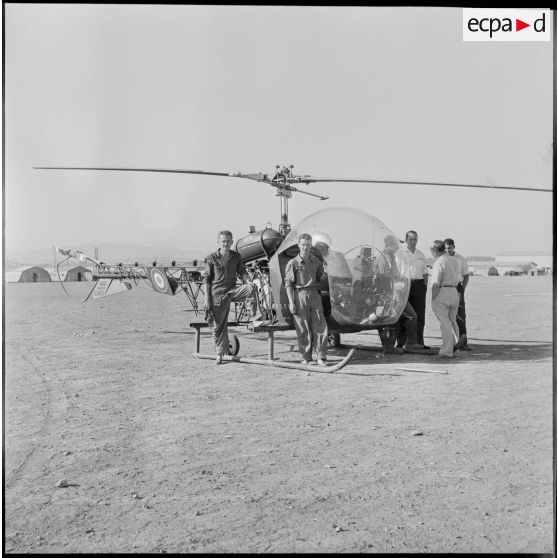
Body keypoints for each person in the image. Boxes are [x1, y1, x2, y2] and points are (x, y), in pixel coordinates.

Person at [203, 230, 262, 365]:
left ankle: (256, 317)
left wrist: (248, 281)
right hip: (217, 295)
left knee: (252, 287)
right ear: (219, 242)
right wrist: (207, 299)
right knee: (219, 326)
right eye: (223, 241)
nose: (226, 244)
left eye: (228, 241)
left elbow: (242, 271)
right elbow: (206, 279)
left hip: (232, 291)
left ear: (232, 241)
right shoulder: (211, 258)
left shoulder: (236, 257)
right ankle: (219, 354)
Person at [285, 233, 329, 366]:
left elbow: (321, 278)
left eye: (308, 245)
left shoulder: (315, 261)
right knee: (302, 327)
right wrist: (291, 303)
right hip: (300, 295)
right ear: (299, 245)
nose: (305, 247)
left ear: (311, 245)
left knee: (320, 325)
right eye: (303, 244)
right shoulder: (292, 263)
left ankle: (321, 356)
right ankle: (306, 357)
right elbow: (288, 284)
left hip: (314, 294)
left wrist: (326, 272)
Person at [376, 235, 425, 352]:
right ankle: (410, 343)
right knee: (411, 316)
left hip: (395, 293)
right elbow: (385, 278)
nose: (398, 247)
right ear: (389, 245)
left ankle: (391, 346)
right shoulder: (385, 258)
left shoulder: (390, 257)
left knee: (395, 319)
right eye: (396, 245)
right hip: (392, 295)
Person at [429, 240, 467, 358]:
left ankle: (446, 350)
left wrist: (433, 297)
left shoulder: (439, 263)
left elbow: (435, 283)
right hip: (454, 291)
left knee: (444, 323)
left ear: (434, 251)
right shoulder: (454, 260)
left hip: (442, 292)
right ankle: (455, 348)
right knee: (453, 321)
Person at [396, 230, 429, 349]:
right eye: (411, 239)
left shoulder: (420, 254)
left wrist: (424, 286)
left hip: (419, 285)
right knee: (405, 315)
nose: (413, 242)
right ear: (406, 240)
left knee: (420, 315)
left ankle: (419, 342)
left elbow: (425, 272)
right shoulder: (400, 254)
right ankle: (401, 342)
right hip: (406, 285)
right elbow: (397, 272)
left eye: (415, 239)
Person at [444, 238, 471, 350]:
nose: (448, 250)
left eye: (449, 247)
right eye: (446, 248)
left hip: (458, 288)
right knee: (447, 316)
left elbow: (466, 275)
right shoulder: (443, 259)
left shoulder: (461, 259)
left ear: (454, 247)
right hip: (446, 288)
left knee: (460, 315)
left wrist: (462, 289)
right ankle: (450, 342)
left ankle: (463, 342)